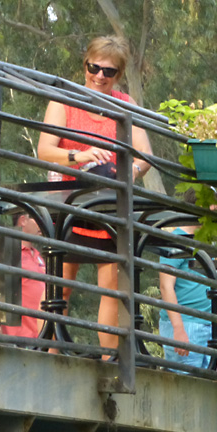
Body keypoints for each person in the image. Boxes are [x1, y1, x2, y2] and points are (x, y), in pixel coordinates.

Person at [36, 36, 152, 354]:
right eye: (94, 68)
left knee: (112, 286)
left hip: (110, 205)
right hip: (70, 202)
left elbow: (145, 155)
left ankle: (110, 360)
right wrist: (81, 156)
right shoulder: (64, 99)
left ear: (119, 75)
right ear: (84, 65)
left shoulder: (125, 105)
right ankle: (49, 352)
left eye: (108, 72)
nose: (100, 76)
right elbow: (45, 150)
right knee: (60, 282)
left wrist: (129, 172)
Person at [158, 223, 212, 371]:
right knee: (186, 379)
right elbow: (165, 286)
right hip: (186, 323)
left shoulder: (206, 240)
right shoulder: (176, 239)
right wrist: (178, 328)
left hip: (209, 322)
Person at [0, 214, 47, 339]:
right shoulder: (10, 254)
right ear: (23, 220)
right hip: (20, 338)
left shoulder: (38, 256)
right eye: (36, 219)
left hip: (41, 334)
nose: (41, 224)